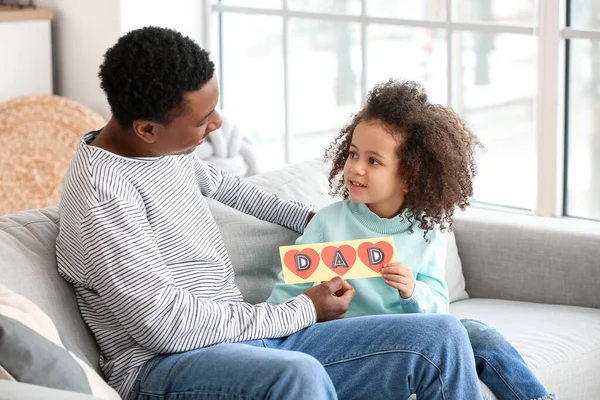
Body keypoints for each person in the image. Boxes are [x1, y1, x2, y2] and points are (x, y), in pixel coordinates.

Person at [55, 26, 485, 400]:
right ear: (147, 129)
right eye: (202, 120)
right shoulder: (102, 199)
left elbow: (228, 187)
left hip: (248, 342)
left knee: (442, 337)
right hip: (166, 366)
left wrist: (327, 222)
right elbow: (166, 325)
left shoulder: (162, 151)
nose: (218, 124)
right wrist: (301, 310)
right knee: (298, 373)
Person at [267, 80, 556, 400]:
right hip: (354, 345)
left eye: (373, 161)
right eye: (353, 154)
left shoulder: (427, 230)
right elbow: (283, 300)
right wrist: (313, 301)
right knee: (457, 333)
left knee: (476, 333)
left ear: (409, 177)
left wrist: (412, 290)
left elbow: (439, 308)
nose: (356, 168)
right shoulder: (327, 224)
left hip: (416, 339)